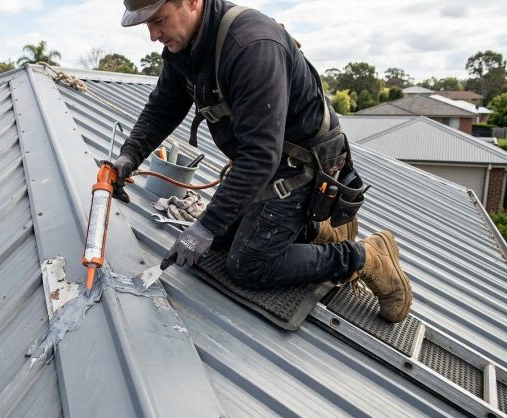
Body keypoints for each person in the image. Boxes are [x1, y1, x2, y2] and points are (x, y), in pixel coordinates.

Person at [113, 0, 413, 322]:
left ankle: (367, 256)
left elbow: (260, 156)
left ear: (191, 2)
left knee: (248, 265)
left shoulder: (251, 45)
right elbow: (162, 109)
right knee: (217, 243)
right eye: (147, 25)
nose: (154, 35)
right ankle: (311, 230)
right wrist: (128, 158)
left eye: (159, 20)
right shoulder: (186, 49)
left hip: (299, 166)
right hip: (265, 161)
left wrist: (205, 226)